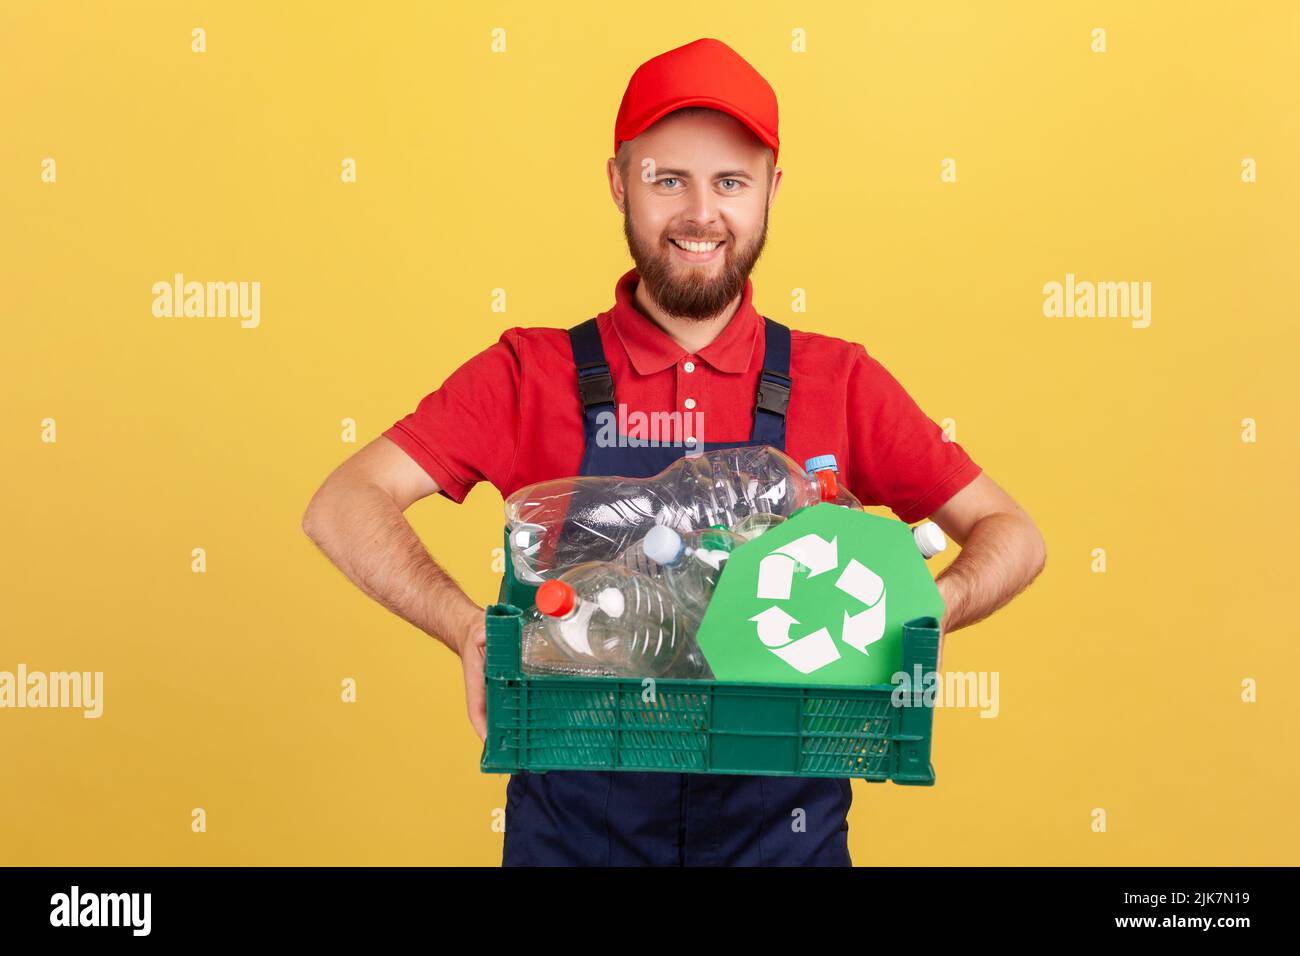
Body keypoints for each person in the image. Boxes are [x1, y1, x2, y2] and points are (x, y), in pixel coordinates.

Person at [302, 37, 1047, 866]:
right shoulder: (529, 371)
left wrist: (924, 616)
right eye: (668, 180)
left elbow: (1012, 532)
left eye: (731, 182)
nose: (702, 213)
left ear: (771, 191)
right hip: (575, 837)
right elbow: (343, 502)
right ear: (619, 183)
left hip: (784, 842)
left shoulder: (839, 380)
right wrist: (465, 627)